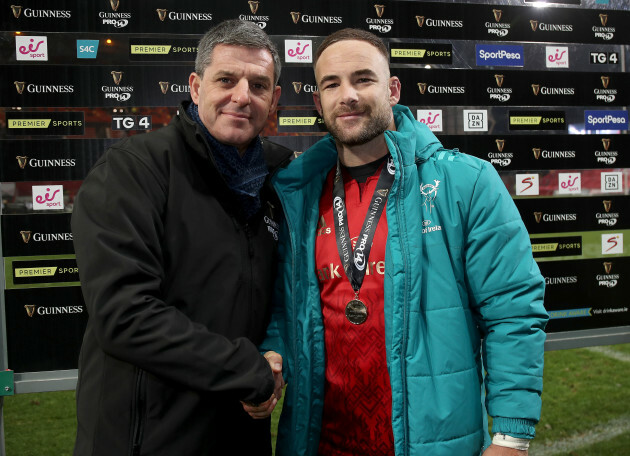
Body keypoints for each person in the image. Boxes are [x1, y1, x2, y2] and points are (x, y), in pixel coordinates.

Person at [250, 29, 548, 455]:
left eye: (363, 79)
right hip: (321, 440)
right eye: (331, 84)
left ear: (392, 90)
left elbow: (513, 312)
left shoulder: (466, 181)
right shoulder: (296, 195)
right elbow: (283, 308)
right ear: (318, 103)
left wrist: (511, 436)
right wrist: (274, 354)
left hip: (430, 443)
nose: (347, 94)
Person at [72, 20, 290, 456]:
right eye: (226, 80)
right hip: (146, 438)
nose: (242, 96)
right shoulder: (133, 170)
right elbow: (124, 315)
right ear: (195, 87)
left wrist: (273, 354)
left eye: (258, 84)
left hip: (239, 432)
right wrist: (247, 369)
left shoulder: (279, 181)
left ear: (274, 99)